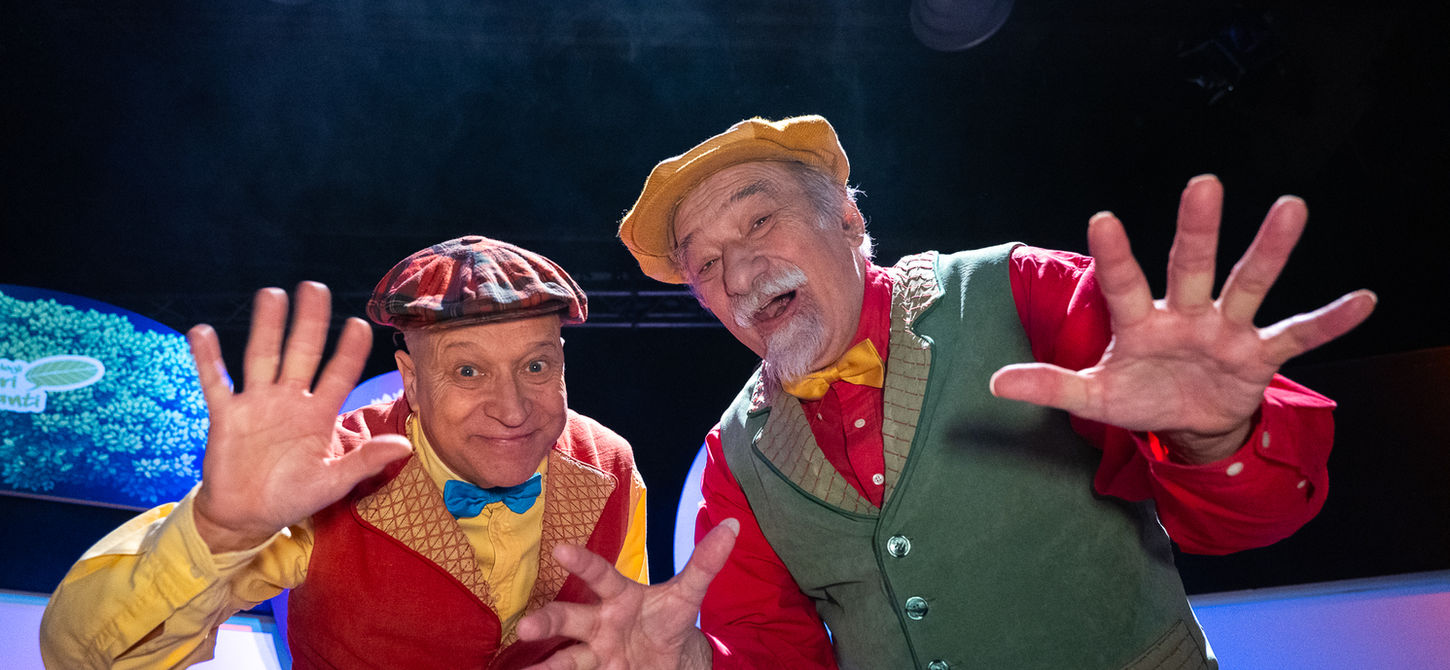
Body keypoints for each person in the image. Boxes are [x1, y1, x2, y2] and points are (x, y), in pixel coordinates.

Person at [513, 116, 1377, 669]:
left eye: (759, 220)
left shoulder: (1023, 293)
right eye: (703, 263)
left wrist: (1216, 437)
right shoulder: (735, 457)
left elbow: (1255, 519)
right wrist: (693, 667)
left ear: (848, 220)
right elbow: (772, 654)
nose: (737, 271)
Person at [39, 235, 649, 669]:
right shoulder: (325, 473)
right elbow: (84, 655)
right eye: (468, 371)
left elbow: (616, 639)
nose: (513, 409)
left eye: (536, 365)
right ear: (410, 380)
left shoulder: (611, 466)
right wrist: (219, 530)